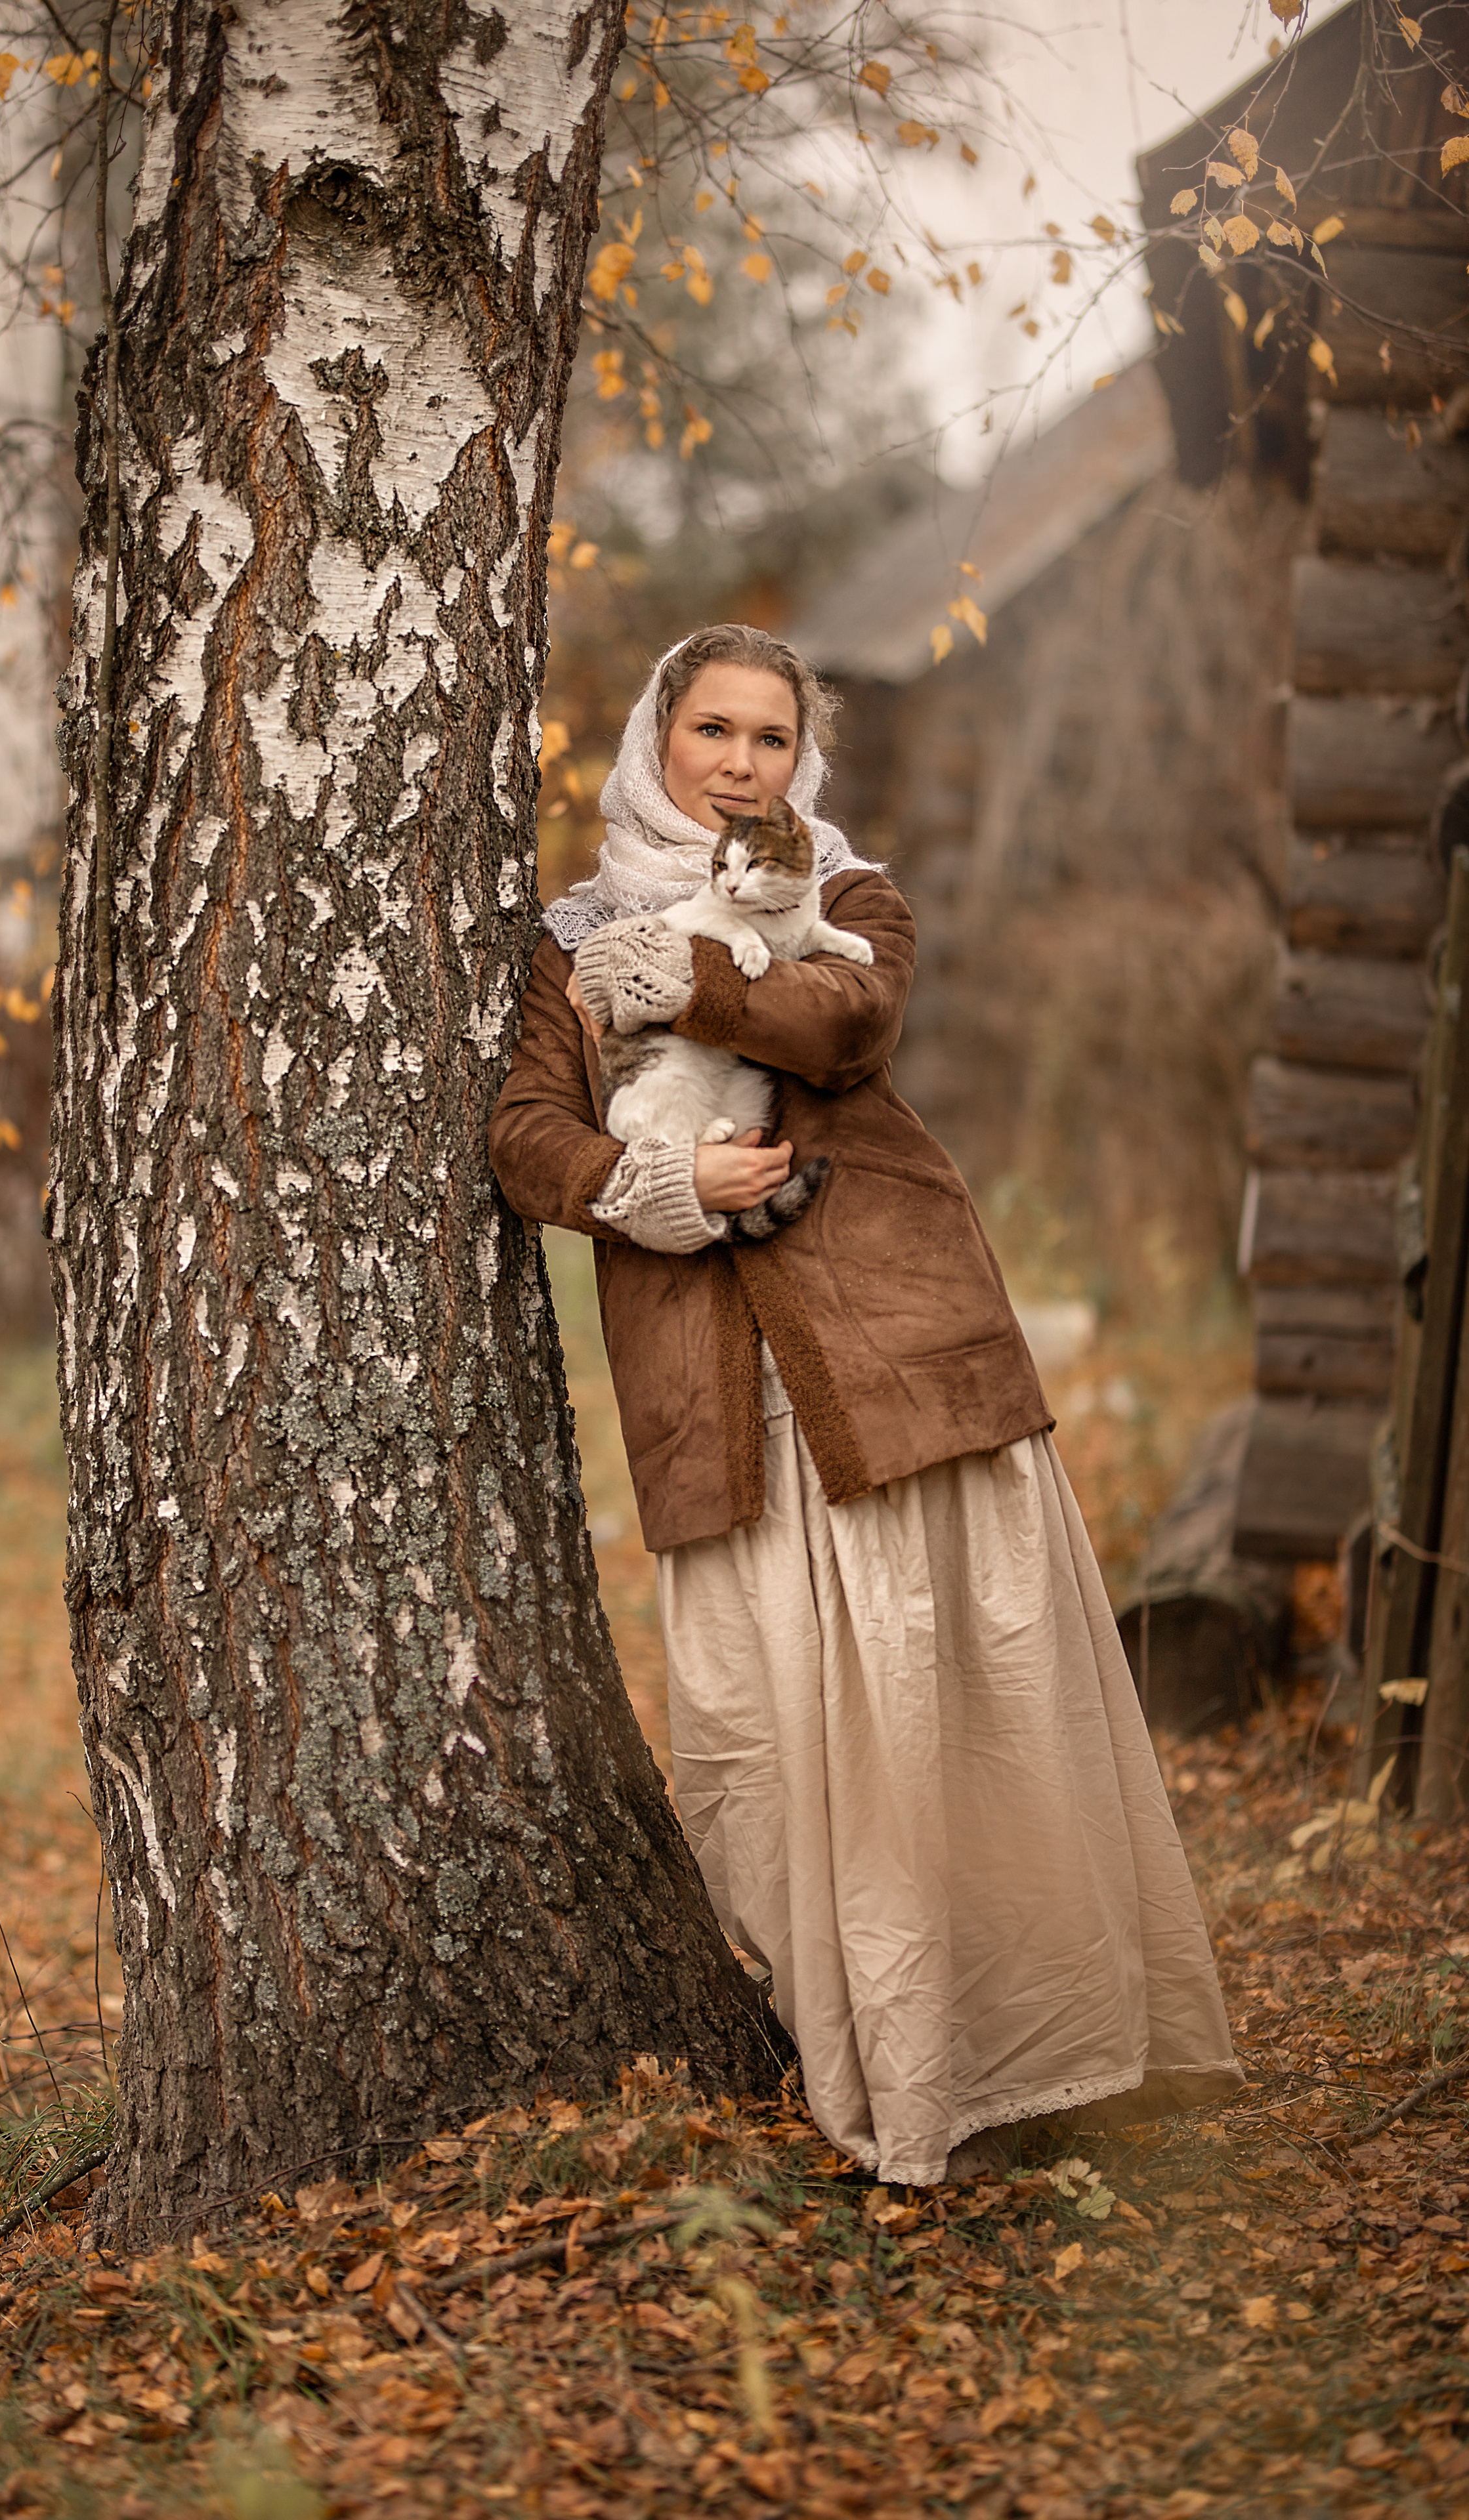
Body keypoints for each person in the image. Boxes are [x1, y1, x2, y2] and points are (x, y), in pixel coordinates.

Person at [488, 623, 1241, 2185]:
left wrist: (691, 975)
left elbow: (841, 1024)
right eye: (711, 729)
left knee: (966, 1716)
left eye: (769, 738)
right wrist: (662, 1186)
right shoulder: (571, 938)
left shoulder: (848, 894)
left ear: (800, 761)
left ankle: (1058, 2065)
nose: (739, 763)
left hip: (896, 1353)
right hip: (706, 1378)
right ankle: (900, 2073)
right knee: (771, 1747)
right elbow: (523, 1135)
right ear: (656, 739)